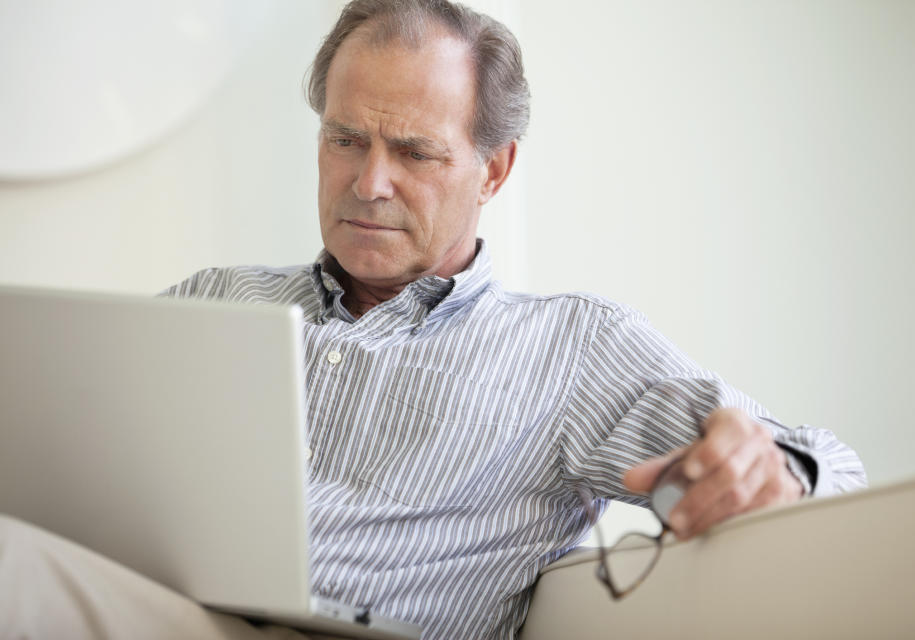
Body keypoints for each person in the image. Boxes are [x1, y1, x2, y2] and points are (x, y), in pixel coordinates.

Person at [0, 1, 866, 639]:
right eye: (345, 140)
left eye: (415, 152)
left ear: (494, 172)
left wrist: (772, 469)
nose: (370, 182)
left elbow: (829, 464)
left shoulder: (567, 349)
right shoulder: (217, 301)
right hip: (144, 606)